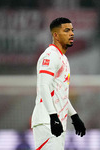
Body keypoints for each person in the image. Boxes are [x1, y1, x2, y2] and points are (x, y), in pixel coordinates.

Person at [31, 17, 86, 150]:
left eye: (72, 30)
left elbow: (61, 94)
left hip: (56, 121)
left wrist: (74, 116)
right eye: (66, 30)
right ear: (55, 35)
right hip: (47, 121)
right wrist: (53, 116)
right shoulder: (50, 56)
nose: (72, 33)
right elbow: (44, 86)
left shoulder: (63, 58)